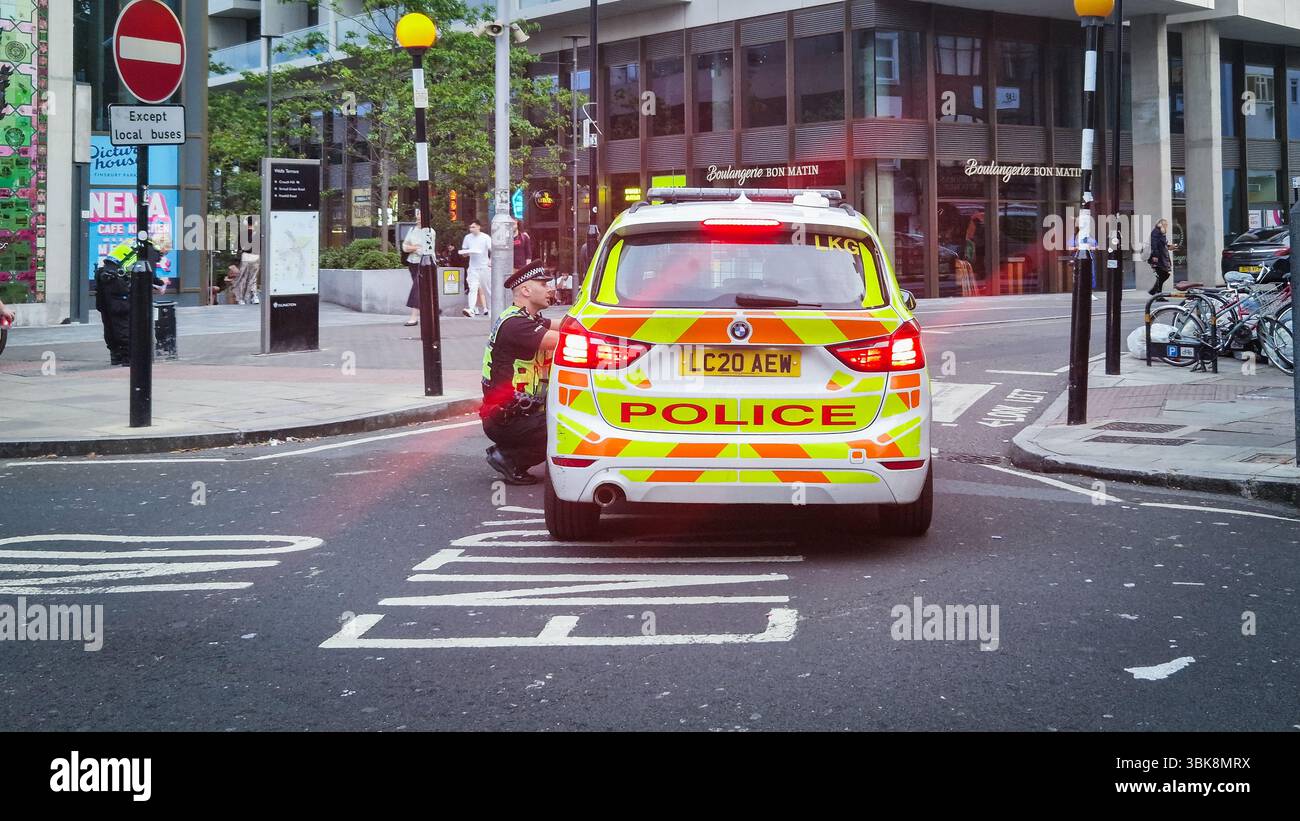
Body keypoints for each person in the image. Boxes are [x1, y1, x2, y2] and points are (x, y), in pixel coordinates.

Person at [480, 264, 559, 485]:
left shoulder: (523, 318)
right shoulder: (517, 325)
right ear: (526, 291)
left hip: (512, 414)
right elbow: (565, 341)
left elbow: (567, 326)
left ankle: (509, 450)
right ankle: (509, 458)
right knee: (567, 428)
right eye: (543, 285)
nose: (549, 289)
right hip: (510, 418)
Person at [94, 240, 169, 366]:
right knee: (123, 319)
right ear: (161, 248)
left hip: (105, 280)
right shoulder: (149, 250)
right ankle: (128, 357)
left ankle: (116, 355)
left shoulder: (135, 244)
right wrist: (160, 285)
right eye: (164, 253)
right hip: (117, 283)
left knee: (110, 320)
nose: (161, 257)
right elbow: (147, 274)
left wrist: (158, 283)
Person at [402, 224, 436, 326]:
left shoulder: (430, 231)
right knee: (420, 290)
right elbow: (404, 247)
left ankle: (414, 317)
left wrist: (412, 248)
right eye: (417, 214)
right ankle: (433, 310)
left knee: (417, 288)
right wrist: (416, 248)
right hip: (412, 263)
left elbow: (426, 250)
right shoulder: (412, 229)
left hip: (425, 264)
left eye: (420, 215)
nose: (418, 217)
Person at [458, 220, 492, 317]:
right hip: (473, 267)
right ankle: (471, 308)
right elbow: (465, 252)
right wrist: (465, 253)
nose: (471, 229)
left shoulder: (485, 237)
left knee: (487, 289)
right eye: (470, 227)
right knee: (473, 288)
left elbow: (492, 250)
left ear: (478, 227)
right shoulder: (467, 238)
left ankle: (490, 309)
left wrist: (491, 260)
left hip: (484, 267)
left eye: (473, 227)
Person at [1147, 218, 1177, 295]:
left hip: (1162, 257)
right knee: (1164, 274)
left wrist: (1170, 246)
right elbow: (1154, 244)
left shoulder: (1161, 232)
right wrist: (1155, 256)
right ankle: (1156, 292)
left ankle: (1156, 292)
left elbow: (1162, 244)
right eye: (1165, 224)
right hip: (1158, 258)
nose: (1166, 226)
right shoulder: (1156, 232)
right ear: (1161, 224)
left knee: (1163, 275)